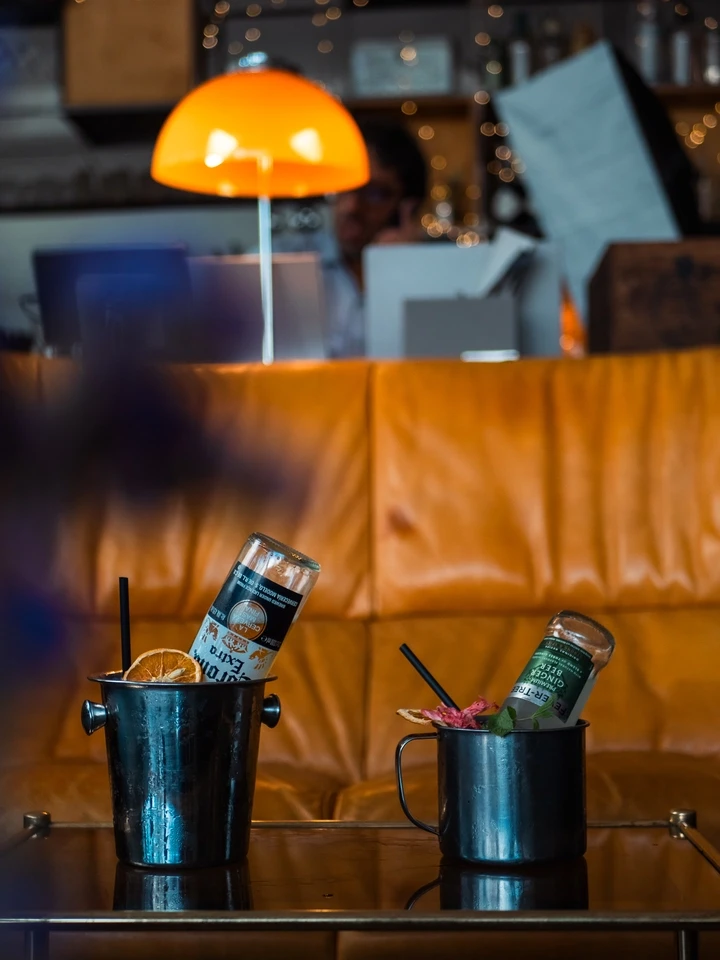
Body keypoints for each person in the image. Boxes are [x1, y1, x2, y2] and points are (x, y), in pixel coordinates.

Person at [276, 121, 428, 358]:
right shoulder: (281, 261)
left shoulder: (429, 276)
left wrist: (396, 269)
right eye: (343, 187)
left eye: (374, 193)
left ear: (407, 207)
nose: (351, 206)